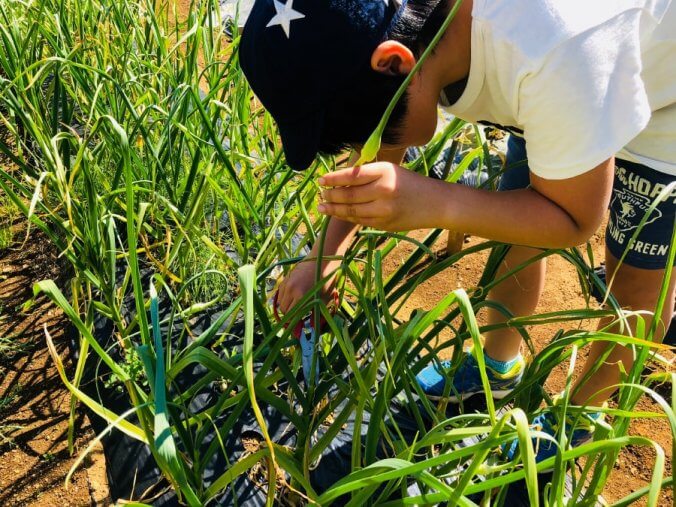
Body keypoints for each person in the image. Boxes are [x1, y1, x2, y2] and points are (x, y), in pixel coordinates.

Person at [239, 0, 676, 462]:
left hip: (661, 101)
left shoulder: (550, 49)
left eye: (366, 133)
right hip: (560, 88)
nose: (366, 150)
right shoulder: (422, 33)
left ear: (394, 61)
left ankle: (581, 421)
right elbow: (386, 131)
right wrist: (322, 257)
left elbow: (573, 219)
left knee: (637, 284)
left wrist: (433, 201)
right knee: (515, 228)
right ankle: (496, 366)